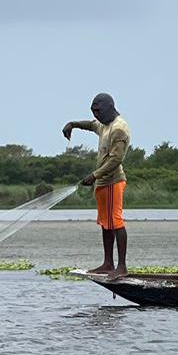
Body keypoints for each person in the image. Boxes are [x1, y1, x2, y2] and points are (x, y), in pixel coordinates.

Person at [62, 93, 132, 279]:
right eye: (94, 112)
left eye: (98, 111)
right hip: (102, 183)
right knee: (106, 223)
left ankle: (121, 266)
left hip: (113, 181)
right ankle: (108, 264)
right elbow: (92, 125)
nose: (96, 115)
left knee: (116, 222)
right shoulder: (104, 124)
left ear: (110, 107)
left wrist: (94, 176)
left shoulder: (119, 128)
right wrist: (73, 124)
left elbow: (116, 159)